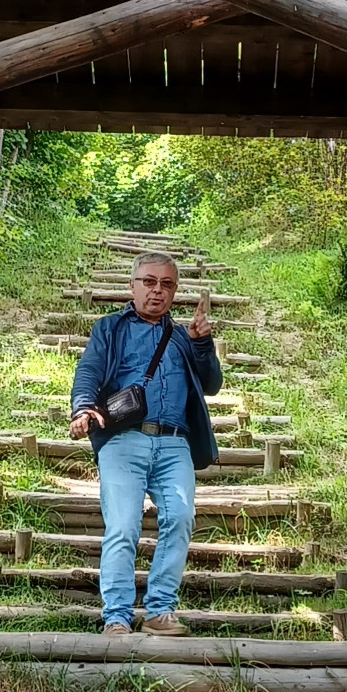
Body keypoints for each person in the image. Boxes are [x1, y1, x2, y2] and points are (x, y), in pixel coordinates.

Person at [69, 253, 223, 635]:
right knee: (122, 527)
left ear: (174, 291)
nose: (158, 291)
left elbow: (211, 384)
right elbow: (88, 369)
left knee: (181, 519)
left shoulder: (184, 338)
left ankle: (160, 612)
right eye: (149, 282)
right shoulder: (110, 328)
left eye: (167, 284)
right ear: (132, 286)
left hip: (174, 445)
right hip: (123, 440)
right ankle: (117, 618)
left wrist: (203, 343)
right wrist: (83, 408)